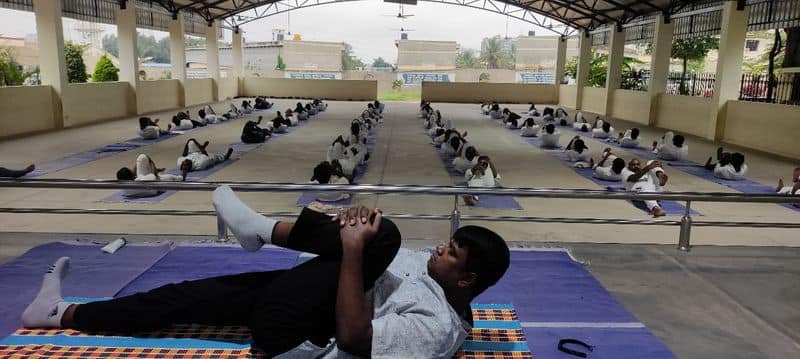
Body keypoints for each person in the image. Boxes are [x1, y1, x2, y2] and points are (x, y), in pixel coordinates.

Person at [22, 186, 510, 358]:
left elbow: (355, 339)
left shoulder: (435, 326)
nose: (442, 248)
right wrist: (347, 238)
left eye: (453, 252)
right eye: (450, 241)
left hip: (301, 334)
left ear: (465, 281)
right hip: (299, 295)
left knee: (385, 238)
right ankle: (60, 312)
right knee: (184, 296)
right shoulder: (435, 276)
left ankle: (257, 228)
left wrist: (355, 249)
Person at [116, 154, 185, 197]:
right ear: (131, 177)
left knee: (142, 157)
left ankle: (151, 167)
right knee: (172, 177)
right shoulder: (141, 182)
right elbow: (153, 177)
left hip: (143, 179)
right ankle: (183, 173)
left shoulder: (124, 188)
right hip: (155, 185)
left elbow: (135, 174)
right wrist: (153, 168)